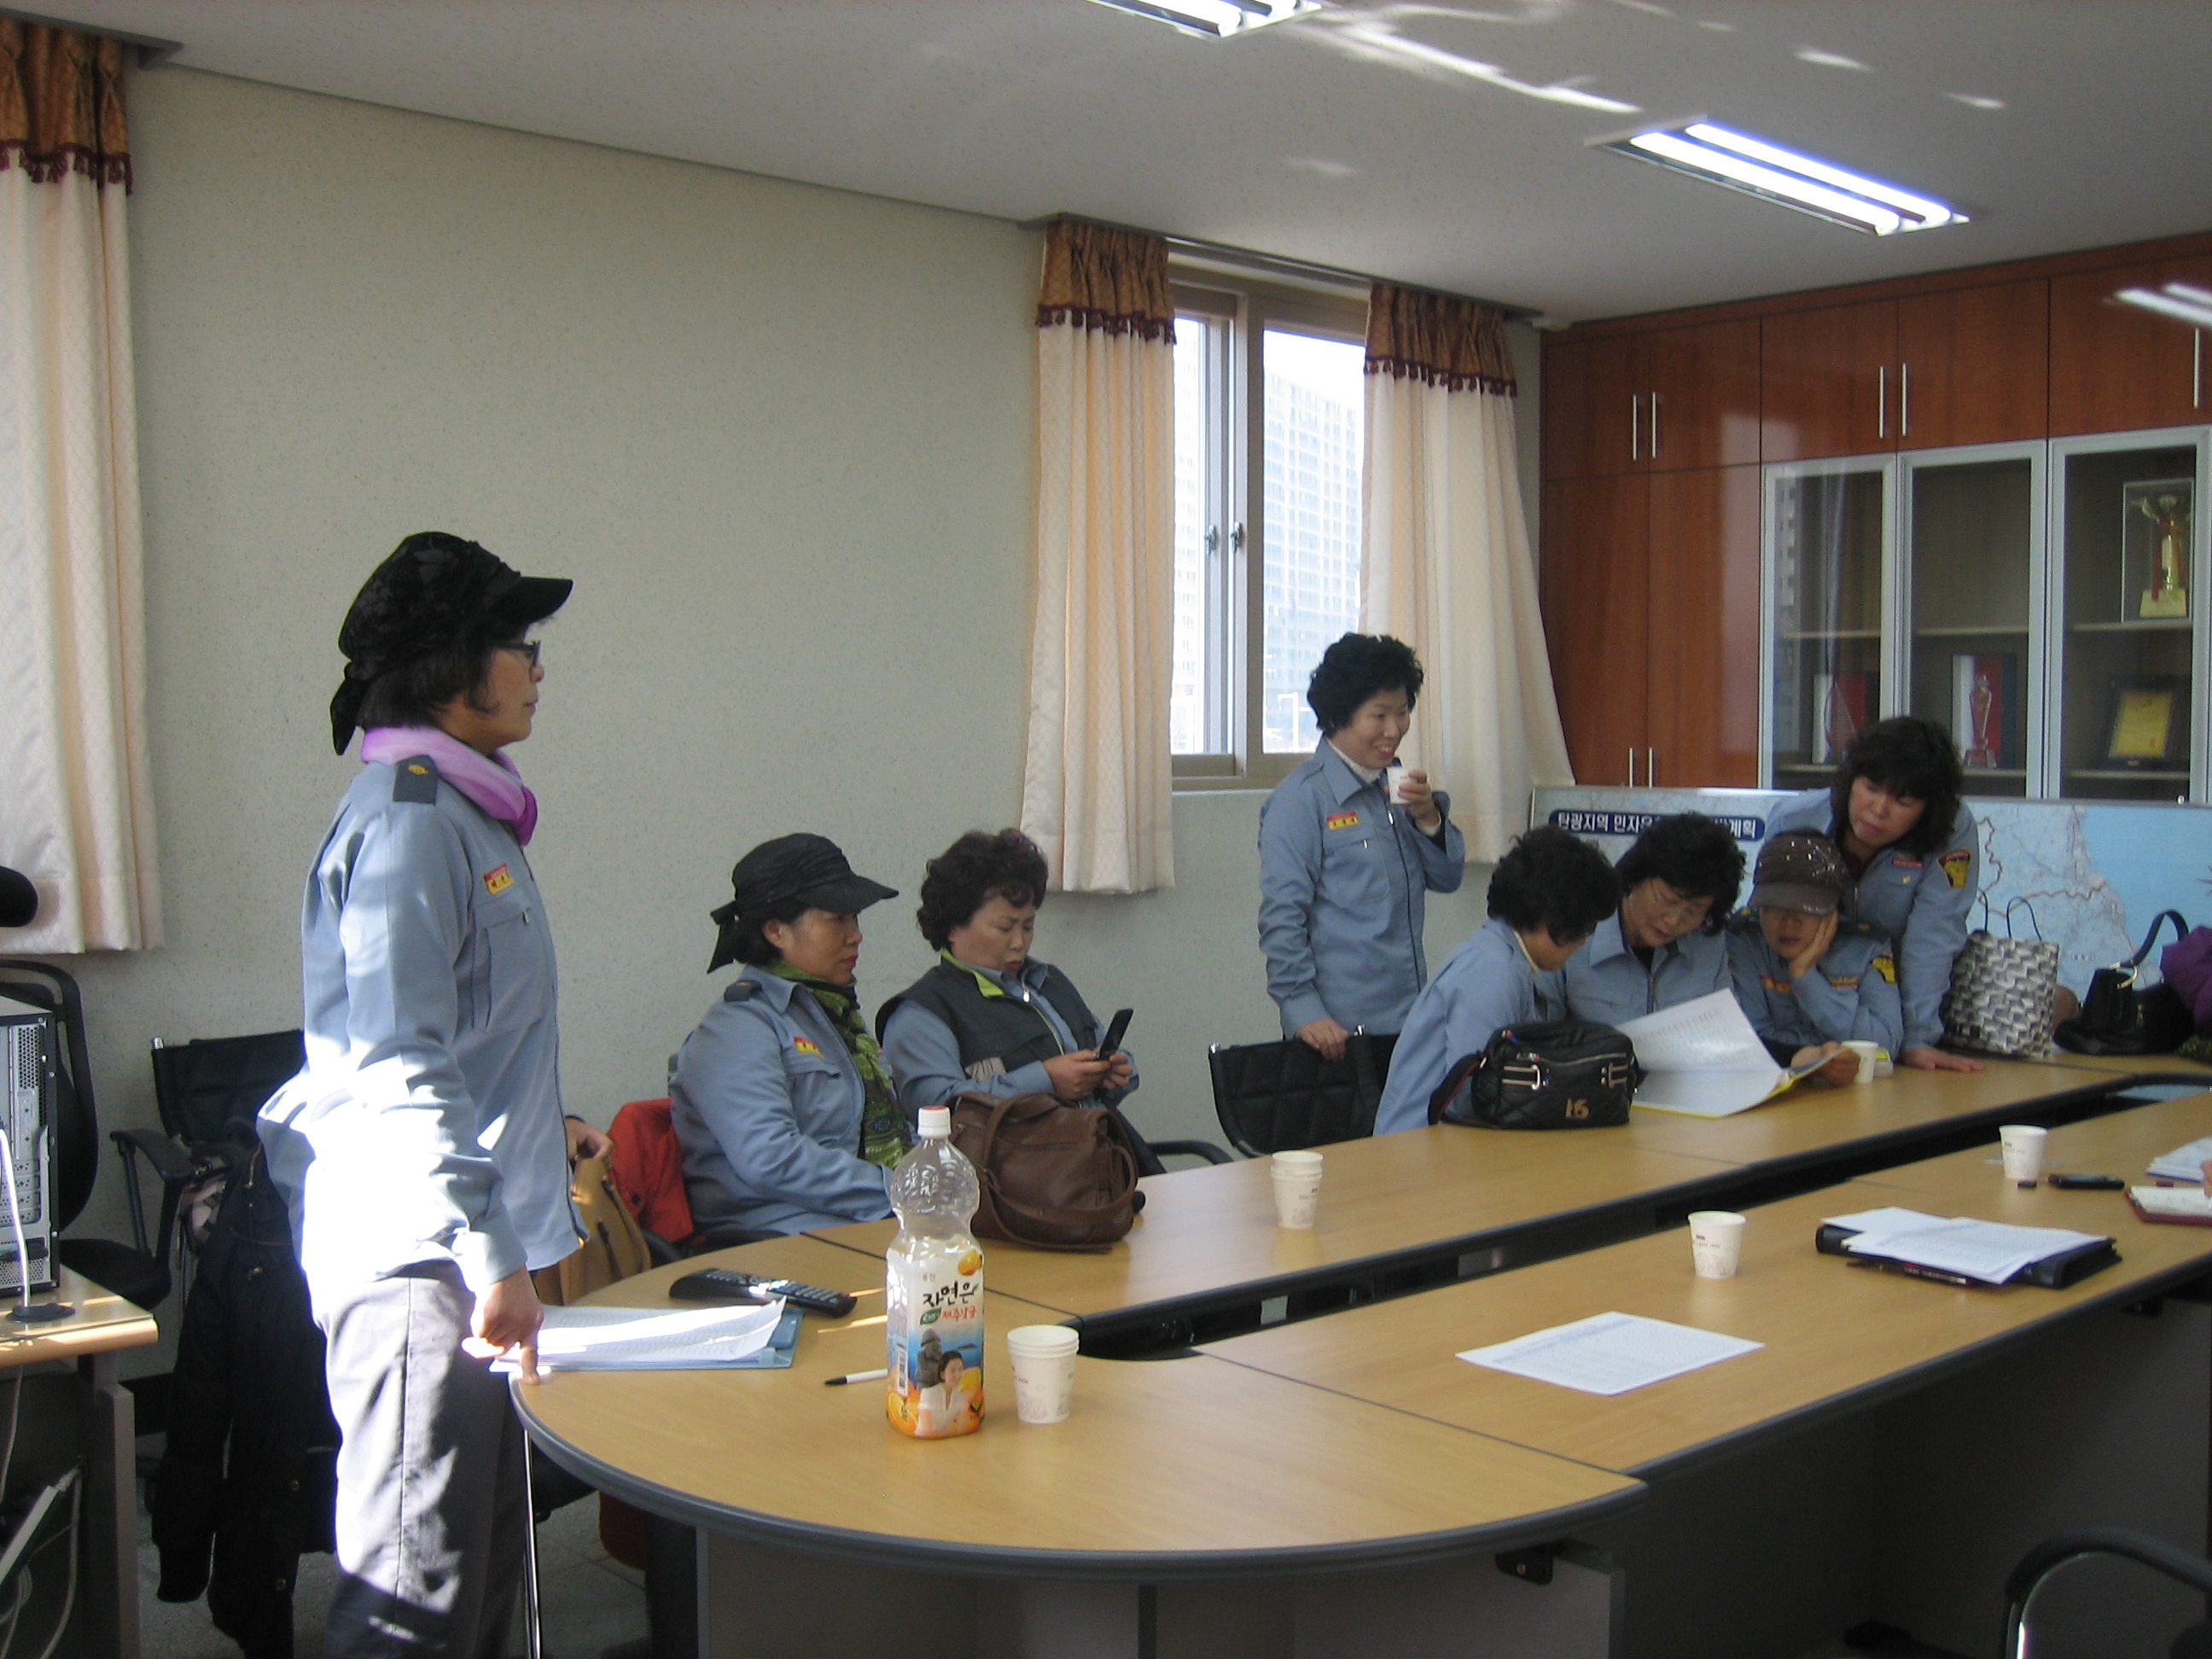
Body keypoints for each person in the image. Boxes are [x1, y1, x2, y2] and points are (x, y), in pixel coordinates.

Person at [259, 531, 590, 1655]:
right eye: (517, 644)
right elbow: (400, 1060)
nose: (537, 666)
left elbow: (476, 1038)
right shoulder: (408, 823)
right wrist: (492, 1253)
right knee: (413, 1595)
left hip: (469, 1251)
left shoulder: (467, 812)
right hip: (422, 1264)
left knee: (482, 1567)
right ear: (451, 668)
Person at [671, 834, 907, 1238]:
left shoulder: (832, 1014)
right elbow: (771, 1159)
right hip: (777, 1238)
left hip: (867, 1221)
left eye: (855, 918)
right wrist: (899, 1191)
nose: (856, 935)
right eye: (837, 919)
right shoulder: (738, 1027)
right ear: (777, 931)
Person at [1259, 633, 1466, 1060]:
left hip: (1408, 1020)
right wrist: (1304, 1011)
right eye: (1379, 715)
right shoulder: (1300, 800)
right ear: (1340, 716)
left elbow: (1448, 879)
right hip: (1335, 1032)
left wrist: (1428, 818)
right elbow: (1282, 918)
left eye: (1403, 712)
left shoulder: (1396, 785)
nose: (1395, 730)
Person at [1761, 716, 1983, 1073]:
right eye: (1871, 788)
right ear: (1850, 780)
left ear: (1929, 809)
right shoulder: (1794, 819)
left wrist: (1917, 1038)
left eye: (1903, 801)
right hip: (1805, 983)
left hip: (1891, 995)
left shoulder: (1951, 830)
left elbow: (1934, 935)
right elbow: (1768, 919)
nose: (1879, 811)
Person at [1374, 826, 1621, 1135]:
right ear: (1552, 918)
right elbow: (1472, 1095)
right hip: (1419, 1145)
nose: (1583, 941)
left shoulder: (1508, 959)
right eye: (1583, 928)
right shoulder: (1493, 972)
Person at [877, 828, 1135, 1119]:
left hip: (1099, 1138)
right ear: (953, 927)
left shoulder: (1048, 981)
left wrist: (1113, 1071)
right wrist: (1045, 1081)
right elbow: (935, 1108)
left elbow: (1102, 1049)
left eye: (1028, 927)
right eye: (1004, 928)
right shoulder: (922, 1013)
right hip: (1015, 1148)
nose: (1019, 943)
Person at [1726, 833, 1905, 1086]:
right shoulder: (1744, 941)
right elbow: (1748, 1042)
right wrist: (1816, 1055)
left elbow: (1884, 1045)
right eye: (1774, 907)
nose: (1789, 922)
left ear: (1834, 910)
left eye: (1806, 908)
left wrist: (1806, 977)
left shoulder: (1866, 947)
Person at [1540, 813, 1744, 1026]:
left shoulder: (1708, 945)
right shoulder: (1574, 933)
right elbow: (1539, 1034)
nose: (1673, 921)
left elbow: (1728, 1030)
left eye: (1693, 912)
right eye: (1667, 900)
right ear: (1635, 877)